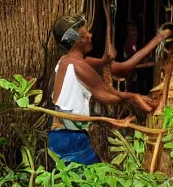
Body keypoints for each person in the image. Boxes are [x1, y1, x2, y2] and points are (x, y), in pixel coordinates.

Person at [48, 15, 160, 165]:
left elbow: (114, 66)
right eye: (86, 33)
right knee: (95, 181)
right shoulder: (79, 66)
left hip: (58, 136)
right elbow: (105, 94)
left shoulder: (66, 61)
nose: (90, 35)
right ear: (78, 40)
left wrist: (107, 59)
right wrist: (133, 97)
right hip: (71, 137)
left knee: (71, 183)